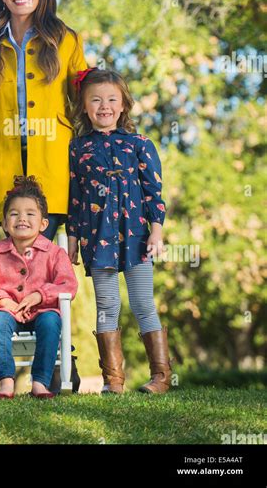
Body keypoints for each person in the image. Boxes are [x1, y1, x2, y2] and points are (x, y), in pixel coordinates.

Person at [67, 67, 173, 395]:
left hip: (137, 237)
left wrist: (156, 232)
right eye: (95, 100)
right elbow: (74, 198)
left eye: (112, 99)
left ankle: (161, 376)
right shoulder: (77, 149)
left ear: (124, 104)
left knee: (143, 303)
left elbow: (154, 193)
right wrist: (72, 240)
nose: (104, 106)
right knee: (107, 304)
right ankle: (113, 380)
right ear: (84, 106)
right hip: (97, 239)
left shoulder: (140, 144)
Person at [0, 0, 88, 239]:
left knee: (41, 253)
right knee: (11, 256)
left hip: (53, 162)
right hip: (1, 161)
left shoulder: (66, 40)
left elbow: (86, 98)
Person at [0, 176, 78, 399]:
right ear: (4, 223)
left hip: (42, 313)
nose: (22, 219)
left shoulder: (54, 253)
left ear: (43, 224)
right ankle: (7, 383)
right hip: (8, 314)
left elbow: (68, 285)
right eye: (14, 214)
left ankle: (39, 383)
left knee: (51, 321)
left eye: (30, 214)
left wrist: (40, 295)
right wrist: (3, 301)